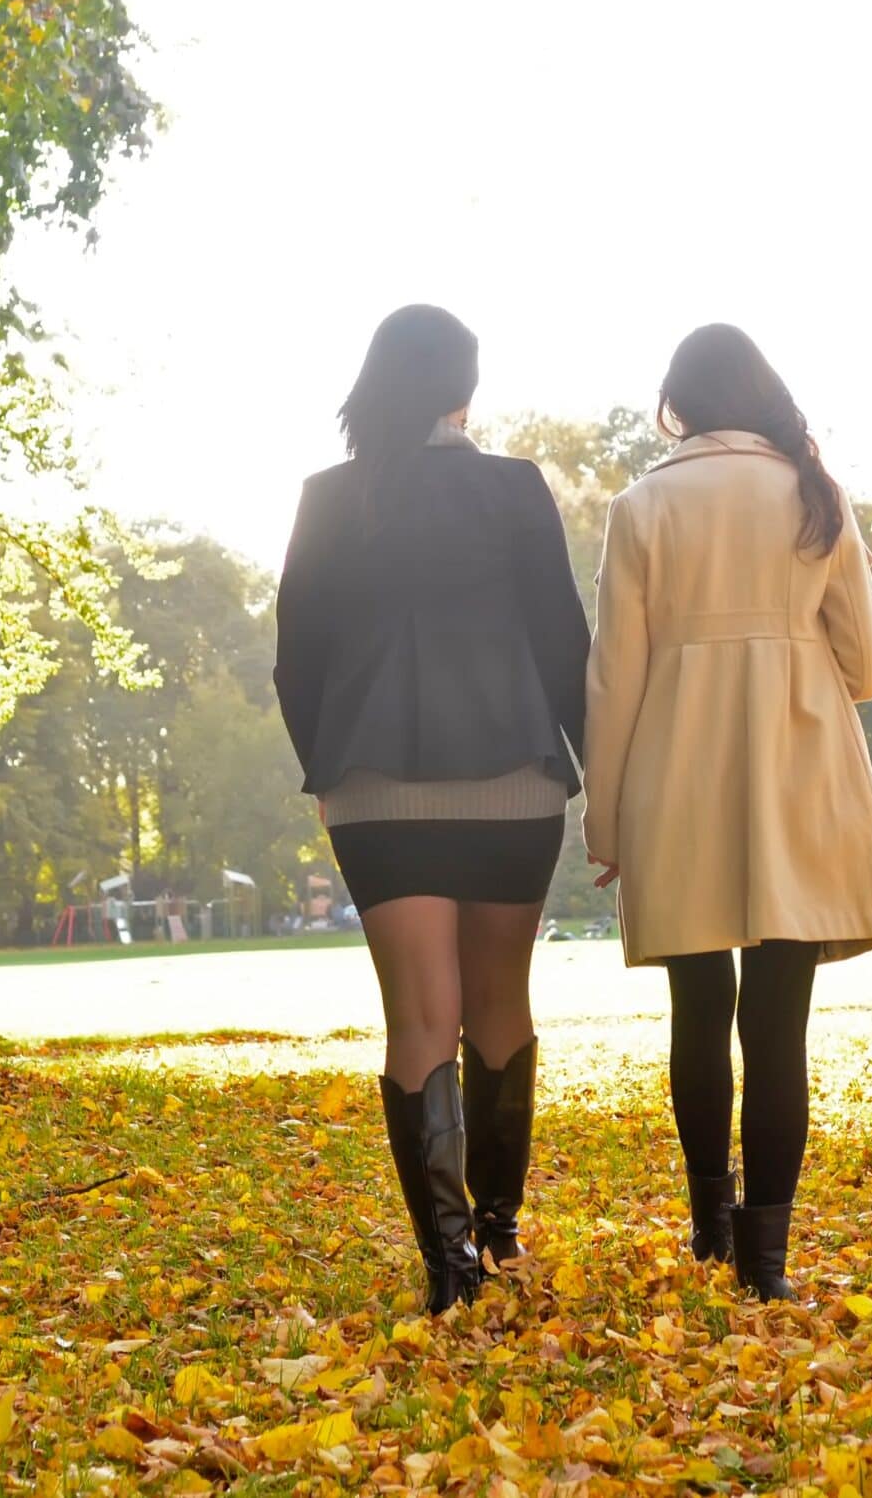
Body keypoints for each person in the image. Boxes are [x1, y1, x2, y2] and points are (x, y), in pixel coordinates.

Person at [583, 324, 872, 1300]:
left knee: (698, 1011)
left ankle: (709, 1227)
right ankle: (766, 1264)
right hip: (797, 771)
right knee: (780, 1026)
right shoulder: (812, 492)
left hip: (676, 775)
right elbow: (869, 669)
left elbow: (613, 680)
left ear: (677, 403)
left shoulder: (641, 505)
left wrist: (605, 820)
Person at [274, 305, 590, 1311]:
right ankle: (498, 1233)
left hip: (375, 789)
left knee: (417, 1017)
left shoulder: (331, 496)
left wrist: (326, 772)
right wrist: (598, 770)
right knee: (500, 1003)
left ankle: (447, 1269)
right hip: (514, 780)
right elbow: (562, 643)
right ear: (465, 388)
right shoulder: (512, 487)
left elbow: (296, 660)